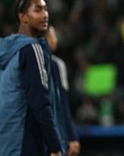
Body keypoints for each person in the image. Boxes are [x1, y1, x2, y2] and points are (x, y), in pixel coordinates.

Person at [0, 0, 62, 155]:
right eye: (38, 10)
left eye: (46, 10)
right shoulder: (32, 49)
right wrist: (55, 146)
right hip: (24, 141)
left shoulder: (0, 52)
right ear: (23, 17)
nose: (45, 15)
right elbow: (40, 102)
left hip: (0, 143)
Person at [46, 26, 81, 156]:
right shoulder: (56, 64)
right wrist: (72, 135)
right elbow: (62, 103)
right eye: (53, 36)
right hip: (54, 129)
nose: (56, 40)